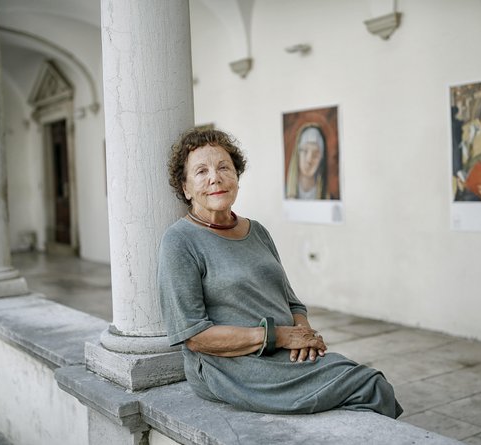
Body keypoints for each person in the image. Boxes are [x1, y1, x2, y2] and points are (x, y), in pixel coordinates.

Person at [158, 128, 402, 417]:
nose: (215, 177)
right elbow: (194, 336)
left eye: (224, 167)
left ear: (237, 176)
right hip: (230, 364)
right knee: (369, 387)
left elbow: (293, 303)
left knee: (370, 386)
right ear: (186, 188)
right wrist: (279, 337)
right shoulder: (180, 241)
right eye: (201, 171)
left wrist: (302, 335)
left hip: (283, 351)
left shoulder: (257, 231)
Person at [285, 126, 328, 199]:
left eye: (315, 154)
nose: (309, 160)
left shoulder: (327, 196)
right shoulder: (284, 193)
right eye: (305, 151)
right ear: (297, 154)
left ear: (321, 159)